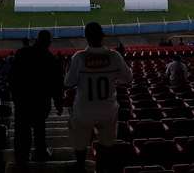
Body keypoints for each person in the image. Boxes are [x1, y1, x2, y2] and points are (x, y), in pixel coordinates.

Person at [64, 22, 132, 172]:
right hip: (108, 110)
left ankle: (81, 166)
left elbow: (68, 83)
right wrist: (114, 79)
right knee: (106, 145)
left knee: (80, 143)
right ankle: (101, 168)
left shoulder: (79, 57)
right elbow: (128, 78)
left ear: (86, 37)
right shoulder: (114, 56)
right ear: (103, 36)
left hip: (84, 110)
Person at [9, 30, 64, 165]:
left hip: (22, 101)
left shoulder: (22, 53)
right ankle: (40, 154)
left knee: (22, 130)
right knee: (39, 129)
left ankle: (21, 158)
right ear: (49, 43)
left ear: (37, 39)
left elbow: (12, 76)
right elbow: (56, 83)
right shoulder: (51, 59)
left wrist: (15, 96)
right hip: (41, 102)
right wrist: (58, 103)